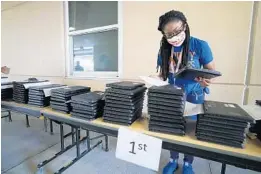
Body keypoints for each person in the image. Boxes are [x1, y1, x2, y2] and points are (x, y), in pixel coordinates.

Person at [157, 10, 215, 174]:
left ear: (185, 26)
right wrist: (155, 79)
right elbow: (162, 75)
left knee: (190, 132)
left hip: (193, 96)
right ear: (164, 35)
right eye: (169, 34)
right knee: (173, 130)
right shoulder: (164, 50)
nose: (174, 37)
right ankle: (173, 160)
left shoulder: (199, 45)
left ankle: (188, 164)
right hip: (173, 97)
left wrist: (205, 79)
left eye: (177, 31)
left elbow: (211, 71)